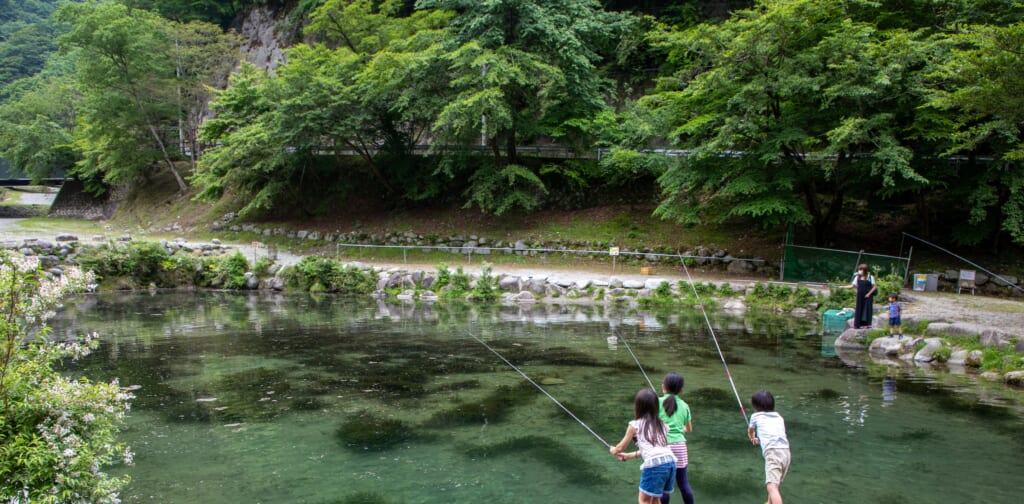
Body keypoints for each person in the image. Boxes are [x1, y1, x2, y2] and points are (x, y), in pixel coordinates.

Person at [611, 389, 677, 504]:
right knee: (655, 498)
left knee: (643, 500)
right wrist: (628, 456)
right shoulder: (662, 424)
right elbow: (655, 450)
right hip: (670, 462)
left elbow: (620, 448)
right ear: (656, 406)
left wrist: (613, 450)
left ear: (638, 407)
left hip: (655, 465)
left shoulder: (634, 425)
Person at [747, 390, 790, 504]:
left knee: (771, 487)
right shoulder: (779, 417)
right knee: (775, 484)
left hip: (773, 452)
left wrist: (753, 438)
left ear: (755, 406)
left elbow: (750, 431)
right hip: (786, 452)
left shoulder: (755, 416)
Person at [659, 373, 694, 504]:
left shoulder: (657, 402)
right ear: (681, 390)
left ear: (663, 387)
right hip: (680, 446)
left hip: (663, 447)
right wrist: (680, 430)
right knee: (683, 484)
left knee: (664, 487)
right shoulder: (685, 406)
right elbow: (689, 429)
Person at [842, 264, 877, 329]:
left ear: (865, 270)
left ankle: (868, 324)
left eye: (861, 269)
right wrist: (843, 287)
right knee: (859, 308)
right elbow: (852, 286)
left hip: (868, 296)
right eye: (859, 269)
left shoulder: (870, 277)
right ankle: (857, 324)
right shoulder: (857, 277)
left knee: (868, 309)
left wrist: (868, 294)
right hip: (860, 295)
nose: (860, 271)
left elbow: (874, 287)